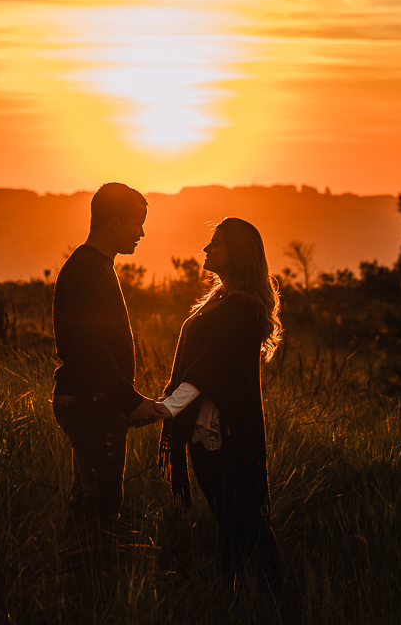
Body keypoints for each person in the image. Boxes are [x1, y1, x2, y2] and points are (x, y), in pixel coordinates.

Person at [158, 217, 283, 590]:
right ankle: (241, 597)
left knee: (244, 522)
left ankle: (274, 596)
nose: (207, 248)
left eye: (216, 243)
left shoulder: (240, 306)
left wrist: (167, 408)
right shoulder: (221, 299)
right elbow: (201, 366)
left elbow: (208, 368)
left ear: (238, 254)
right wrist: (169, 405)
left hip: (222, 433)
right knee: (231, 522)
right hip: (204, 431)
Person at [51, 182, 169, 560]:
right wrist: (130, 400)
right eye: (137, 224)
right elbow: (90, 347)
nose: (142, 233)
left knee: (88, 497)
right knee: (101, 503)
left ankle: (72, 572)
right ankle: (92, 579)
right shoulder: (89, 270)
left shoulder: (93, 266)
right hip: (92, 402)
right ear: (115, 223)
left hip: (96, 401)